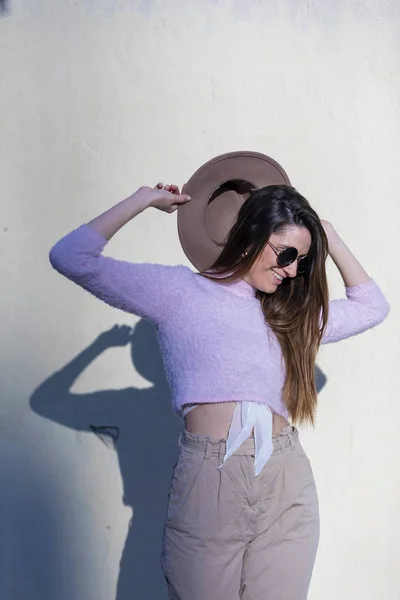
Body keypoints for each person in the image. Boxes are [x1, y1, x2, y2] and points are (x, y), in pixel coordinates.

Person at [49, 167, 389, 600]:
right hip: (210, 480)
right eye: (285, 254)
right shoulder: (178, 292)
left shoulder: (289, 316)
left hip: (285, 479)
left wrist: (327, 235)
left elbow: (372, 306)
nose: (291, 271)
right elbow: (71, 256)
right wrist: (141, 200)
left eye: (301, 263)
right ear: (251, 235)